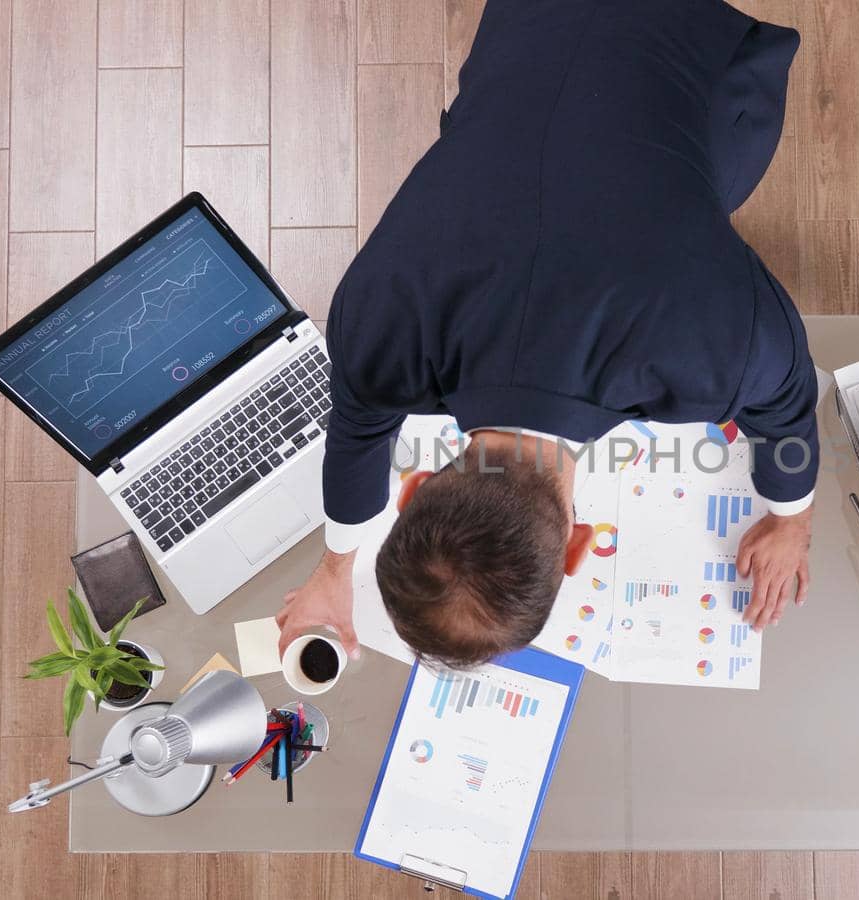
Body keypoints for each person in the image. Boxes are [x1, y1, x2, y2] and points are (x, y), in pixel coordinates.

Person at [275, 0, 818, 667]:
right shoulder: (374, 326)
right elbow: (355, 433)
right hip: (535, 26)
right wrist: (333, 570)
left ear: (575, 545)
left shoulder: (717, 351)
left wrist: (791, 521)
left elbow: (791, 413)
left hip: (681, 38)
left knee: (695, 185)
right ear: (412, 488)